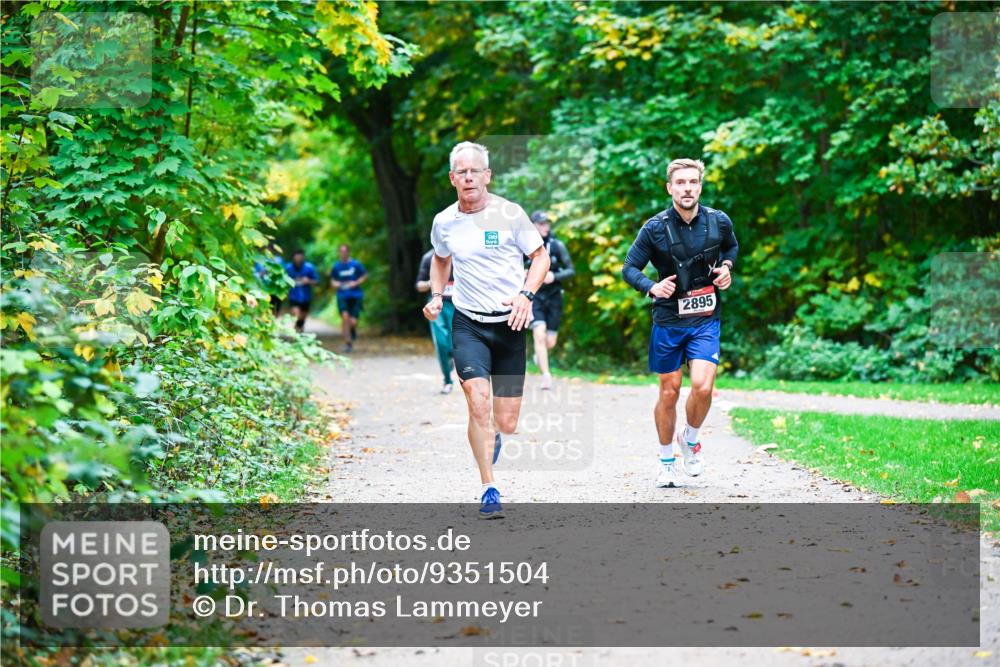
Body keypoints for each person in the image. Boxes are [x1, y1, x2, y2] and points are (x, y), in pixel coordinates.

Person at [424, 141, 550, 519]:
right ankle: (489, 488)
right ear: (452, 178)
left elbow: (540, 256)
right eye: (461, 172)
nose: (468, 177)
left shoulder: (510, 214)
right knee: (478, 402)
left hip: (509, 324)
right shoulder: (444, 221)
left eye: (474, 171)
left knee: (506, 422)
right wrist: (436, 296)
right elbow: (440, 260)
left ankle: (493, 433)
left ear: (487, 176)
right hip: (468, 324)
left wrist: (526, 295)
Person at [621, 158, 739, 488]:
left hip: (705, 317)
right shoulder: (655, 228)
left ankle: (690, 438)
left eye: (693, 182)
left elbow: (731, 246)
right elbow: (629, 268)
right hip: (669, 319)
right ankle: (666, 461)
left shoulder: (718, 221)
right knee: (669, 391)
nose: (687, 188)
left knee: (703, 386)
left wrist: (727, 267)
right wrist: (651, 287)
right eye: (681, 183)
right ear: (670, 188)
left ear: (700, 186)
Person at [525, 211, 575, 390]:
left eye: (547, 223)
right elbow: (513, 267)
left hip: (554, 296)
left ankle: (540, 355)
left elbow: (571, 270)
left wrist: (554, 276)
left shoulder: (557, 245)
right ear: (532, 226)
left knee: (550, 341)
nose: (545, 226)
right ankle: (546, 375)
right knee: (539, 333)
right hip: (535, 295)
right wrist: (524, 273)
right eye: (541, 224)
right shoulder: (525, 245)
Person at [416, 248, 456, 394]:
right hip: (437, 306)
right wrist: (432, 282)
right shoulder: (428, 257)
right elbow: (419, 285)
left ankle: (451, 356)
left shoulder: (460, 253)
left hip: (458, 305)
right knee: (441, 342)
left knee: (454, 343)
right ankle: (447, 380)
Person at [330, 244, 367, 353]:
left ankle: (352, 329)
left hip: (356, 295)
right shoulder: (336, 266)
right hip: (342, 295)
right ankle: (348, 343)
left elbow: (364, 275)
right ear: (339, 253)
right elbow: (332, 281)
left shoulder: (356, 264)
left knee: (353, 321)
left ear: (348, 252)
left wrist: (356, 283)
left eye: (345, 251)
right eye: (341, 251)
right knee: (345, 318)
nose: (343, 253)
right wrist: (336, 284)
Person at [285, 249, 318, 334]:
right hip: (293, 297)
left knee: (302, 318)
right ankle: (297, 332)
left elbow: (316, 281)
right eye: (297, 258)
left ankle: (299, 331)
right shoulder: (288, 268)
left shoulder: (309, 268)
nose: (298, 260)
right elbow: (283, 281)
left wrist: (308, 281)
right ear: (293, 258)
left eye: (300, 258)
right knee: (297, 315)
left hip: (306, 297)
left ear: (303, 258)